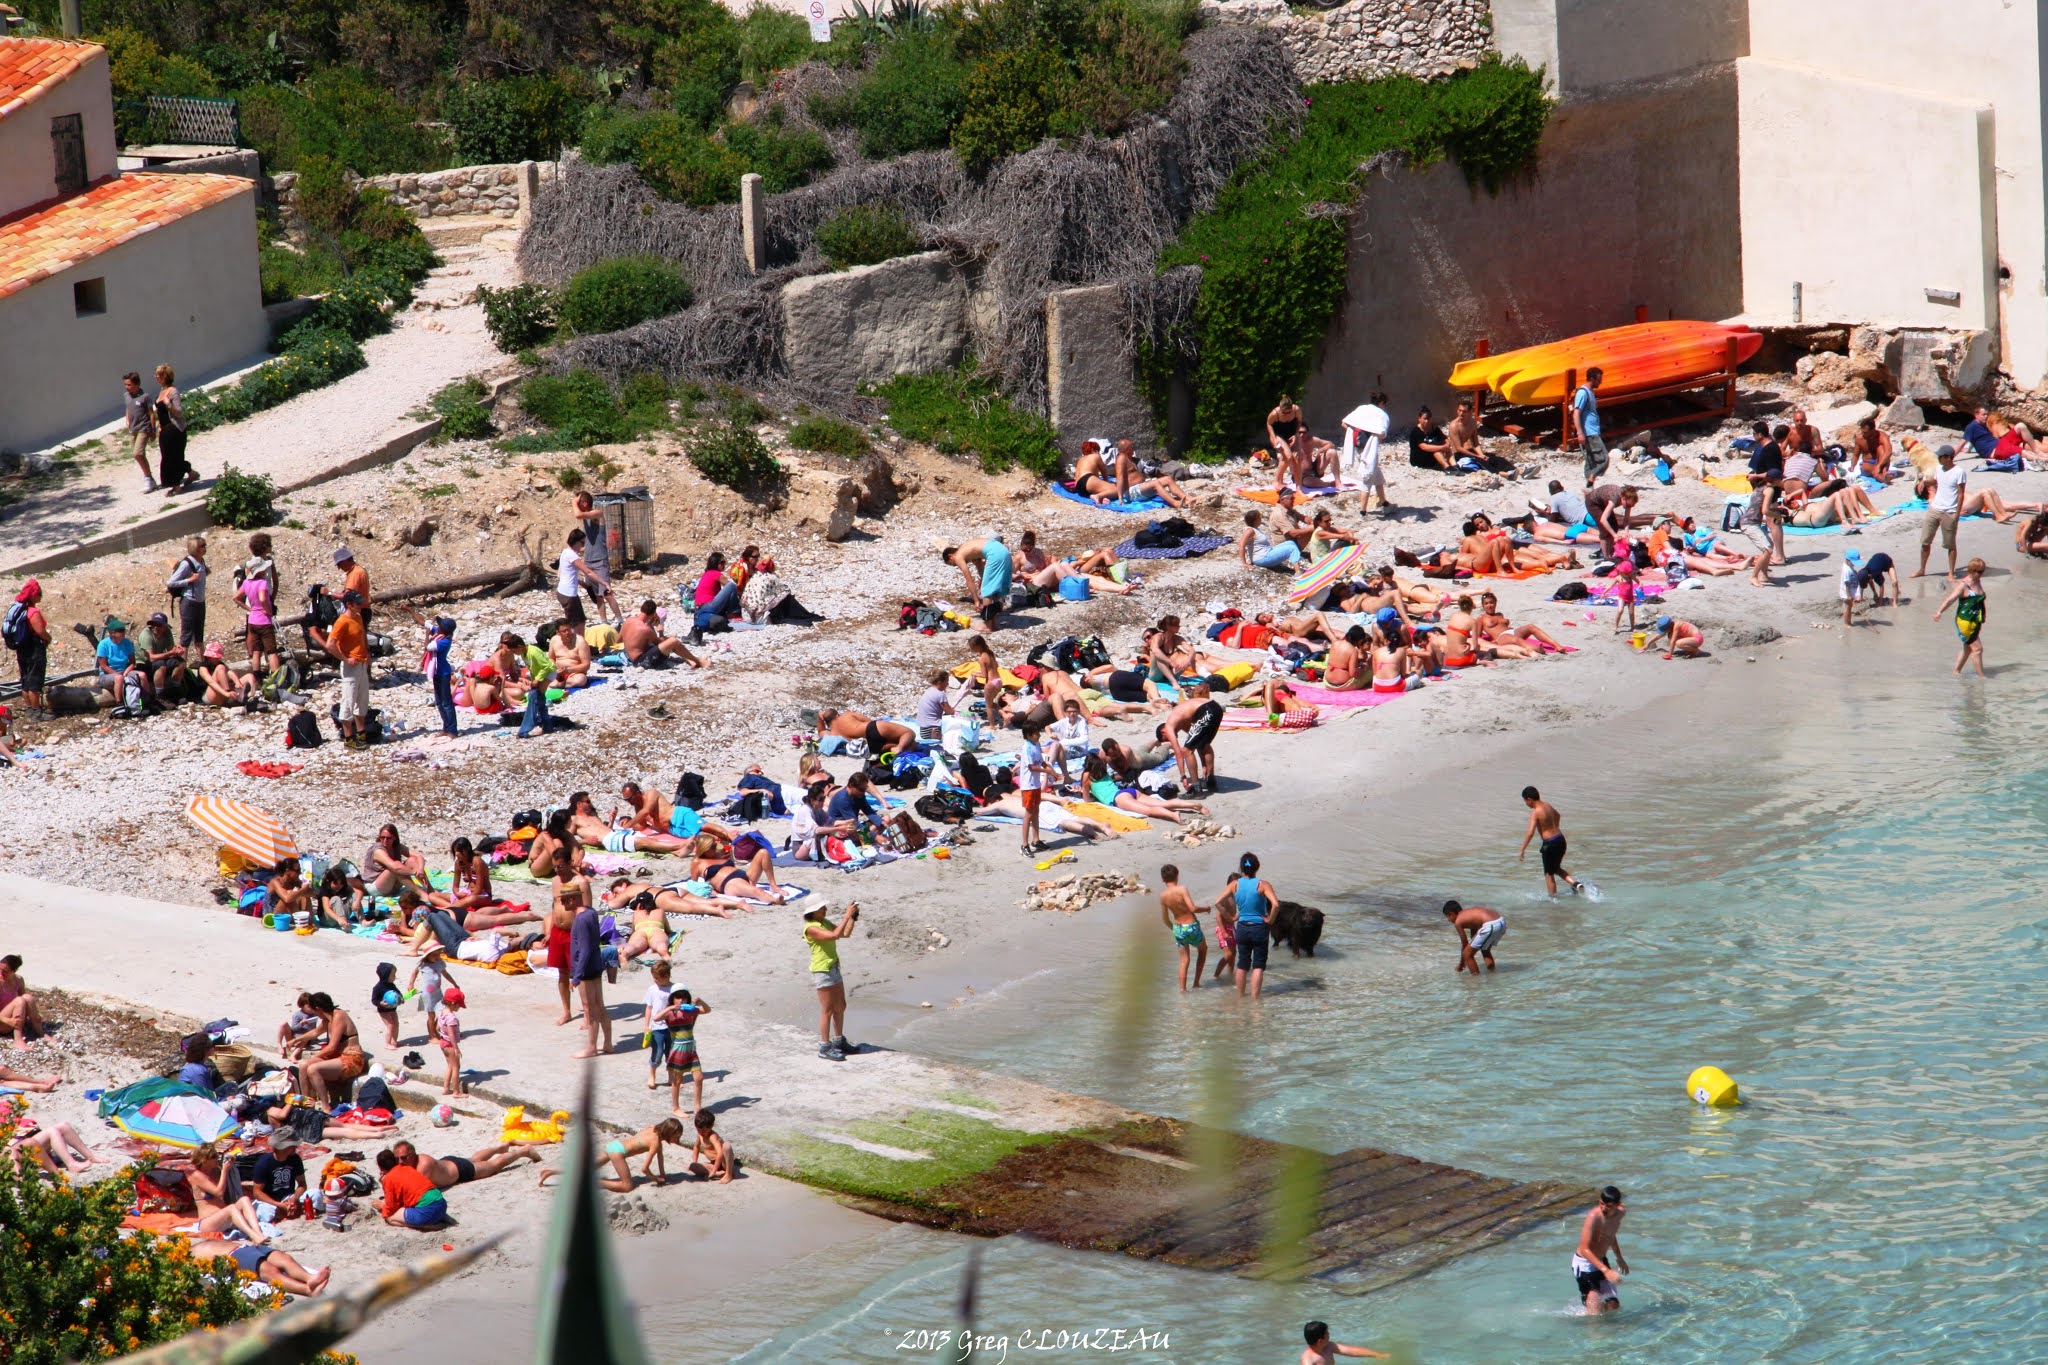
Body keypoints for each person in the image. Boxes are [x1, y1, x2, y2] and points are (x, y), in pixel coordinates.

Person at [1215, 853, 1277, 998]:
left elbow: (1217, 902)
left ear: (1242, 868)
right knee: (1258, 966)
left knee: (1242, 964)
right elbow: (1276, 905)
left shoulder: (1235, 884)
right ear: (1257, 866)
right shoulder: (1262, 884)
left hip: (1242, 928)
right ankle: (1255, 1001)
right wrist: (1270, 920)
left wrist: (1230, 918)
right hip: (1259, 928)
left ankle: (1240, 997)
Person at [804, 901, 859, 1061]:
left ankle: (839, 1041)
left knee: (840, 1006)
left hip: (834, 967)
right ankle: (824, 1046)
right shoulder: (811, 928)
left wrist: (852, 918)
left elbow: (844, 934)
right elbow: (834, 936)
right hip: (822, 971)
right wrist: (846, 915)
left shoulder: (824, 922)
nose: (825, 909)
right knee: (827, 1009)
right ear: (813, 911)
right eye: (822, 908)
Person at [189, 1142, 270, 1244]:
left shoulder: (215, 1171)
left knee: (244, 1199)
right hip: (208, 1222)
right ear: (204, 1160)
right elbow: (218, 1192)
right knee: (231, 1208)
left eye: (216, 1155)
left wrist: (229, 1165)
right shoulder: (196, 1175)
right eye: (213, 1156)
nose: (217, 1158)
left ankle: (258, 1233)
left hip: (223, 1218)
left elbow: (227, 1183)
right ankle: (253, 1236)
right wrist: (224, 1171)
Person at [299, 992, 368, 1107]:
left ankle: (326, 1107)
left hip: (352, 1058)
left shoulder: (339, 1016)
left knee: (313, 1069)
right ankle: (306, 1103)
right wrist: (296, 1040)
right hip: (338, 1056)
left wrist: (315, 1057)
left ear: (318, 1009)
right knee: (303, 1065)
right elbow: (315, 1032)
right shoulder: (327, 1018)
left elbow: (331, 1047)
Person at [395, 1138, 542, 1190]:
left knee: (494, 1166)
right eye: (397, 1159)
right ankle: (499, 1148)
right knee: (474, 1158)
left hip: (461, 1171)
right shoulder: (410, 1163)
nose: (400, 1162)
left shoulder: (424, 1164)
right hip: (449, 1162)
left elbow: (415, 1189)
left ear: (412, 1154)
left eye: (403, 1158)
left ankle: (524, 1151)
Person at [1913, 445, 1968, 579]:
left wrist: (1957, 514)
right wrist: (1924, 482)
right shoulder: (1939, 469)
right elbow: (1936, 481)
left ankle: (1951, 572)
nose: (1938, 459)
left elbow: (1961, 494)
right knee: (1925, 541)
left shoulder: (1959, 472)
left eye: (1941, 457)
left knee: (1950, 544)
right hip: (1935, 509)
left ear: (1948, 458)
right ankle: (1922, 569)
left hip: (1950, 511)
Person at [326, 590, 372, 749]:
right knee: (348, 701)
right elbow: (330, 644)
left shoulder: (358, 617)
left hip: (361, 662)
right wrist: (345, 659)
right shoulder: (342, 621)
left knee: (362, 700)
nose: (361, 606)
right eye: (357, 604)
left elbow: (362, 636)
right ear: (349, 605)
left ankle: (361, 733)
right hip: (350, 666)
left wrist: (367, 653)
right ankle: (348, 738)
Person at [1574, 1186, 1630, 1314]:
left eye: (1608, 1206)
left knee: (1613, 1305)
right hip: (1584, 1264)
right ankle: (1593, 1330)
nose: (1603, 1208)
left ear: (1618, 1205)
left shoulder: (1620, 1213)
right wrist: (1606, 1271)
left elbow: (1610, 1235)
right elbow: (1584, 1249)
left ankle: (1610, 1331)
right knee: (1595, 1307)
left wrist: (1619, 1257)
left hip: (1600, 1260)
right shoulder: (1593, 1217)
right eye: (1601, 1203)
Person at [569, 889, 612, 1059]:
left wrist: (576, 976)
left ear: (572, 900)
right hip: (595, 963)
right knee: (599, 1005)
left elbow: (584, 949)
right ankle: (607, 1043)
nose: (563, 905)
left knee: (590, 1009)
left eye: (565, 901)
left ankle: (592, 1047)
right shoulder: (591, 912)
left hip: (586, 967)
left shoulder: (580, 919)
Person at [1519, 786, 1582, 896]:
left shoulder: (1536, 812)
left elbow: (1530, 833)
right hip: (1560, 839)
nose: (1526, 804)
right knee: (1556, 868)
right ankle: (1576, 884)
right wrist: (1554, 828)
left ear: (1529, 799)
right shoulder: (1547, 805)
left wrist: (1522, 850)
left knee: (1548, 874)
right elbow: (1558, 815)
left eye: (1525, 801)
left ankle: (1553, 900)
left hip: (1550, 843)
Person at [572, 491, 624, 626]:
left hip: (600, 560)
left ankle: (619, 620)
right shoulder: (586, 518)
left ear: (585, 503)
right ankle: (603, 621)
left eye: (579, 502)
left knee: (607, 593)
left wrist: (573, 502)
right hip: (589, 561)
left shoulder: (598, 513)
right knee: (597, 596)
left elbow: (577, 514)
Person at [1933, 556, 1989, 677]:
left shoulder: (1977, 580)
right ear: (1971, 571)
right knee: (1977, 649)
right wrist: (1939, 612)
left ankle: (1956, 672)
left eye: (1982, 571)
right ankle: (1982, 678)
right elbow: (1950, 599)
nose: (1981, 574)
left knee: (1968, 648)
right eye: (1979, 572)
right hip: (1965, 622)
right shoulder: (1964, 585)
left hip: (1975, 621)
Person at [658, 987, 710, 1115]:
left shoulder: (691, 1011)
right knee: (677, 1079)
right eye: (678, 997)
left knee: (699, 1077)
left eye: (684, 997)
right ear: (673, 999)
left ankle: (697, 1107)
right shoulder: (671, 1013)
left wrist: (700, 1002)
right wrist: (671, 1008)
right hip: (678, 1048)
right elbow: (656, 1018)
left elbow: (707, 1010)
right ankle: (675, 1107)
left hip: (690, 1048)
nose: (681, 1000)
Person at [942, 537, 1013, 628]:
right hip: (1003, 551)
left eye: (953, 563)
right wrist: (987, 583)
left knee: (987, 590)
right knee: (993, 588)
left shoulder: (959, 556)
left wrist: (976, 600)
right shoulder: (970, 550)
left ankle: (987, 625)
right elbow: (981, 571)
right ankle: (994, 623)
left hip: (994, 553)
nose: (956, 565)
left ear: (951, 556)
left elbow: (969, 580)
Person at [235, 537, 280, 678]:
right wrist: (268, 608)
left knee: (256, 649)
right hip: (263, 614)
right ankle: (277, 678)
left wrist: (250, 609)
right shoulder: (261, 583)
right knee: (272, 650)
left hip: (253, 612)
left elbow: (236, 596)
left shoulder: (248, 581)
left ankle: (257, 676)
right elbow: (263, 595)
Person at [1163, 685, 1222, 794]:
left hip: (1206, 710)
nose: (1171, 739)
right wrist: (1203, 764)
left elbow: (1179, 753)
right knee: (1203, 744)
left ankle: (1196, 789)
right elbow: (1198, 741)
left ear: (1163, 732)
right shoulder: (1182, 720)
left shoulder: (1169, 726)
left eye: (1165, 739)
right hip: (1215, 707)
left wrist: (1183, 776)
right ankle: (1210, 781)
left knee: (1187, 750)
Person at [1159, 864, 1207, 991]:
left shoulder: (1163, 896)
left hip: (1178, 928)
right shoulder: (1182, 889)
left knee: (1184, 960)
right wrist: (1206, 908)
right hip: (1191, 925)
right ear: (1177, 876)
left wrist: (1174, 929)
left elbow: (1165, 919)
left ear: (1162, 879)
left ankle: (1182, 990)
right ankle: (1196, 983)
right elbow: (1193, 908)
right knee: (1203, 950)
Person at [376, 1148, 450, 1229]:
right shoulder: (408, 1168)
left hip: (427, 1212)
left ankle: (426, 1226)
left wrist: (382, 1207)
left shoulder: (389, 1179)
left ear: (380, 1167)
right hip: (442, 1204)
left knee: (390, 1218)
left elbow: (391, 1208)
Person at [7, 580, 49, 717]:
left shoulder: (19, 609)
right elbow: (40, 631)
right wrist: (48, 639)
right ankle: (37, 712)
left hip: (22, 648)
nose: (40, 597)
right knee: (35, 680)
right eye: (39, 594)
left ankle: (30, 709)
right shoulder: (32, 612)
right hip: (34, 648)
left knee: (25, 679)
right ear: (33, 595)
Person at [93, 617, 151, 715]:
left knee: (142, 675)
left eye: (123, 630)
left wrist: (126, 672)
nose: (123, 632)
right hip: (107, 674)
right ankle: (120, 704)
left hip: (124, 671)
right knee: (119, 678)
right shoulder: (103, 644)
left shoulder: (127, 643)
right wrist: (119, 675)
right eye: (120, 631)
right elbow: (103, 666)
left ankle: (146, 701)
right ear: (112, 633)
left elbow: (133, 663)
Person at [622, 598, 701, 668]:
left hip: (631, 657)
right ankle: (698, 661)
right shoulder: (646, 629)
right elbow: (660, 642)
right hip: (641, 662)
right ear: (653, 614)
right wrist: (661, 633)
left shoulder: (628, 621)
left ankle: (691, 660)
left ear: (641, 609)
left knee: (669, 641)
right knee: (673, 641)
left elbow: (619, 640)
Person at [248, 1131, 308, 1218]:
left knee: (316, 1195)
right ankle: (283, 1212)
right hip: (270, 1201)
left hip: (289, 1196)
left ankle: (287, 1210)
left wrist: (293, 1199)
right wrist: (279, 1205)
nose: (296, 1147)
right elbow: (257, 1192)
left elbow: (302, 1184)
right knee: (267, 1212)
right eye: (293, 1145)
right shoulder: (263, 1163)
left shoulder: (295, 1159)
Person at [153, 364, 193, 492]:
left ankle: (176, 486)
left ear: (165, 376)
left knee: (173, 457)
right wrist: (160, 425)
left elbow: (179, 412)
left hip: (175, 429)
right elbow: (161, 412)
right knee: (167, 457)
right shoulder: (161, 391)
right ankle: (190, 474)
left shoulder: (173, 391)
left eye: (158, 375)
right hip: (165, 430)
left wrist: (168, 404)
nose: (155, 376)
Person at [167, 535, 208, 654]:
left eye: (205, 545)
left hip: (200, 601)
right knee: (186, 636)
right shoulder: (186, 563)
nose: (205, 548)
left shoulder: (201, 561)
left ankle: (203, 664)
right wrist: (189, 580)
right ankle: (182, 667)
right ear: (195, 548)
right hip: (189, 601)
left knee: (199, 636)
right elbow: (171, 582)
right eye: (202, 546)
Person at [136, 613, 187, 704]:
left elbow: (171, 650)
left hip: (160, 658)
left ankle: (175, 689)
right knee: (161, 665)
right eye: (153, 625)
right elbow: (151, 657)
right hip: (144, 663)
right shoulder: (146, 635)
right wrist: (171, 653)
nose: (155, 627)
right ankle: (159, 696)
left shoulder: (167, 632)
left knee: (180, 662)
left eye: (159, 625)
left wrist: (177, 651)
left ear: (164, 626)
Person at [1442, 900, 1505, 974]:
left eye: (1447, 917)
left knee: (1467, 954)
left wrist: (1461, 965)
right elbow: (1473, 939)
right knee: (1485, 950)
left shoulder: (1458, 922)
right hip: (1501, 921)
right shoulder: (1468, 914)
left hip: (1491, 925)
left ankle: (1475, 982)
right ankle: (1492, 975)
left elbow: (1465, 943)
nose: (1448, 920)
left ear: (1450, 914)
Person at [122, 370, 157, 492]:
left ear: (137, 384)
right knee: (139, 456)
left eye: (129, 385)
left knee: (137, 453)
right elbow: (128, 407)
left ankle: (148, 478)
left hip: (144, 428)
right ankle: (151, 480)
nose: (127, 387)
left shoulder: (145, 397)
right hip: (133, 429)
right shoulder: (126, 396)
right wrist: (127, 419)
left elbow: (151, 414)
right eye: (125, 385)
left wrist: (153, 430)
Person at [1017, 722, 1048, 855]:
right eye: (1036, 734)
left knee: (1036, 811)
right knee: (1028, 814)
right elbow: (1032, 767)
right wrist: (1049, 773)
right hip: (1028, 785)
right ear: (1029, 735)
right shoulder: (1027, 747)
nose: (1039, 735)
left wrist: (1051, 769)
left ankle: (1036, 840)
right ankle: (1024, 844)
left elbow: (1041, 761)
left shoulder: (1036, 744)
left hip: (1035, 784)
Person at [196, 640, 259, 707]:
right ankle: (230, 697)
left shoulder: (220, 663)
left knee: (250, 676)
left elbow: (230, 673)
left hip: (222, 693)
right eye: (216, 657)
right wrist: (226, 693)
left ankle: (250, 697)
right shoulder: (203, 668)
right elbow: (211, 683)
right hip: (209, 695)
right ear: (209, 657)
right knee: (220, 668)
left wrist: (237, 682)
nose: (218, 658)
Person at [555, 528, 595, 628]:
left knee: (581, 620)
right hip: (569, 594)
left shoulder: (565, 552)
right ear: (576, 542)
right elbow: (588, 572)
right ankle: (576, 642)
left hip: (564, 592)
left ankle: (580, 641)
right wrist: (604, 583)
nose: (583, 546)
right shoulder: (572, 556)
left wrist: (581, 583)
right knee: (574, 625)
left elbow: (561, 574)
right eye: (582, 543)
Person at [1573, 367, 1606, 485]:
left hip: (1593, 431)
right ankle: (1591, 478)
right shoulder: (1583, 393)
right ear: (1592, 378)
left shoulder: (1591, 393)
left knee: (1590, 461)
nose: (1600, 382)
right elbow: (1576, 412)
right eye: (1598, 380)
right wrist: (1580, 432)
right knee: (1604, 460)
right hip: (1589, 433)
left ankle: (1588, 487)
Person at [1301, 1321, 1388, 1364]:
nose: (1329, 1334)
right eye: (1327, 1333)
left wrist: (1377, 1355)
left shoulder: (1329, 1346)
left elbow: (1352, 1351)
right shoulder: (1308, 1360)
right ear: (1320, 1341)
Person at [433, 985, 466, 1096]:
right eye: (459, 1005)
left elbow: (437, 1028)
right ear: (453, 1003)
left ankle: (446, 1088)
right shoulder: (452, 1018)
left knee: (450, 1066)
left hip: (443, 1042)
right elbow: (451, 1034)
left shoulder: (442, 1012)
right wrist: (456, 1048)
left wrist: (443, 1034)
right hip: (450, 1045)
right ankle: (456, 1092)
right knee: (456, 1067)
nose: (459, 1008)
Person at [689, 1108, 736, 1183]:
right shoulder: (700, 1135)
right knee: (692, 1166)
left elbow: (720, 1153)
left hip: (723, 1162)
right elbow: (696, 1147)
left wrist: (713, 1171)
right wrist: (695, 1162)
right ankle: (719, 1174)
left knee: (726, 1145)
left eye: (704, 1131)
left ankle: (728, 1173)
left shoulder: (712, 1136)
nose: (701, 1133)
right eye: (698, 1130)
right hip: (713, 1163)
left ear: (711, 1127)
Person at [547, 617, 592, 691]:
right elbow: (551, 658)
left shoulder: (580, 642)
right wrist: (555, 668)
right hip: (558, 672)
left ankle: (557, 685)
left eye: (569, 629)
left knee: (580, 679)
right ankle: (557, 684)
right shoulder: (554, 640)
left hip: (574, 673)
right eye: (564, 631)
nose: (567, 633)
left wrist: (568, 670)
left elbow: (586, 665)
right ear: (558, 632)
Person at [1407, 406, 1452, 471]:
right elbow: (1424, 447)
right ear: (1419, 419)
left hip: (1431, 457)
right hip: (1420, 459)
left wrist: (1447, 445)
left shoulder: (1434, 428)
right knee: (1436, 451)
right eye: (1425, 419)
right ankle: (1447, 468)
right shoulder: (1416, 432)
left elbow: (1444, 438)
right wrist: (1442, 447)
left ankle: (1455, 466)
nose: (1427, 421)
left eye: (1428, 419)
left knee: (1448, 450)